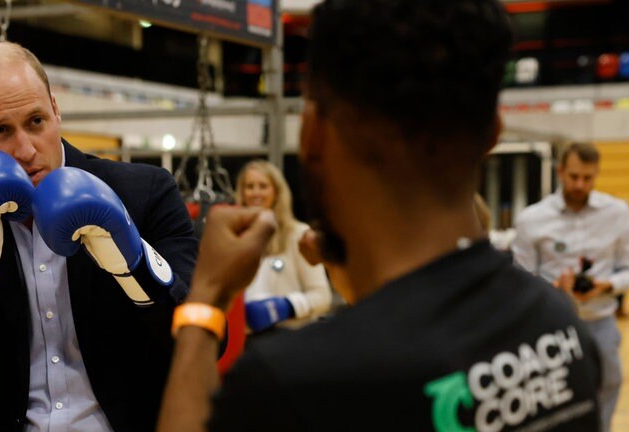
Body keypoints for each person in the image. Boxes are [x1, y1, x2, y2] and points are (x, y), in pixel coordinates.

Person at [156, 1, 603, 431]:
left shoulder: (296, 382)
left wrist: (206, 302)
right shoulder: (559, 322)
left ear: (312, 134)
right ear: (492, 135)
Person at [0, 41, 197, 431]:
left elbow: (200, 344)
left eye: (36, 121)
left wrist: (135, 263)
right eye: (1, 130)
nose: (25, 149)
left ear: (56, 109)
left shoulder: (144, 194)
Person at [512, 141, 629, 431]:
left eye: (588, 178)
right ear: (560, 171)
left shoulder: (618, 213)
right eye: (574, 176)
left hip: (601, 320)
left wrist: (607, 285)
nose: (580, 184)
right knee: (554, 394)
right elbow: (519, 278)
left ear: (597, 174)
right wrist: (553, 289)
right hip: (551, 326)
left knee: (610, 382)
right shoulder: (531, 219)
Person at [235, 160, 332, 333]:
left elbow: (322, 297)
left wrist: (286, 307)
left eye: (263, 186)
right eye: (250, 186)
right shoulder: (234, 238)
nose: (256, 192)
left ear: (276, 192)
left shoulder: (298, 235)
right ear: (242, 193)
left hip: (288, 337)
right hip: (244, 340)